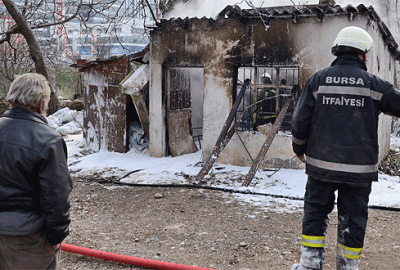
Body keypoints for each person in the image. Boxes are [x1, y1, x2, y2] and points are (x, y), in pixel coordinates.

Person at [291, 26, 400, 270]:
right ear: (362, 54)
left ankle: (309, 265)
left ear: (338, 51)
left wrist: (299, 147)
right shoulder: (374, 85)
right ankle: (348, 267)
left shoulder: (318, 80)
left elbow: (300, 120)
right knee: (354, 219)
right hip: (358, 174)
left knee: (315, 215)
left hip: (320, 168)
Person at [0, 73, 72, 269]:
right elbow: (56, 196)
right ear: (41, 104)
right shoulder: (48, 140)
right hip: (27, 239)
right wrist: (57, 236)